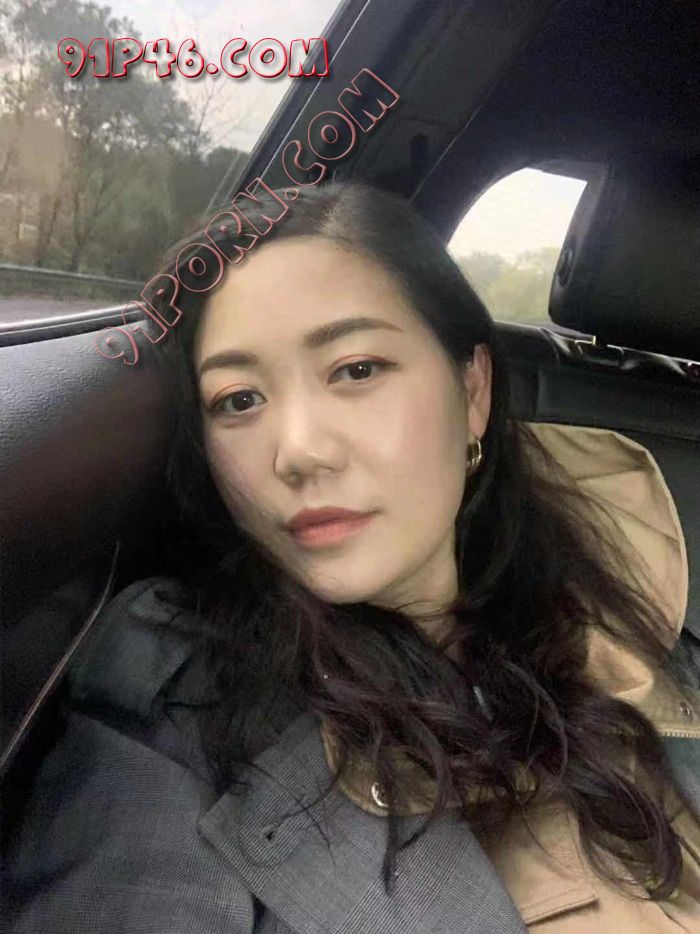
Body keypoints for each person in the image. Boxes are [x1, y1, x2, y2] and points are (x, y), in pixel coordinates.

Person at [4, 181, 700, 933]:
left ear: (473, 390)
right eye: (238, 400)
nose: (299, 451)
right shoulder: (178, 712)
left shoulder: (631, 577)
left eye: (356, 369)